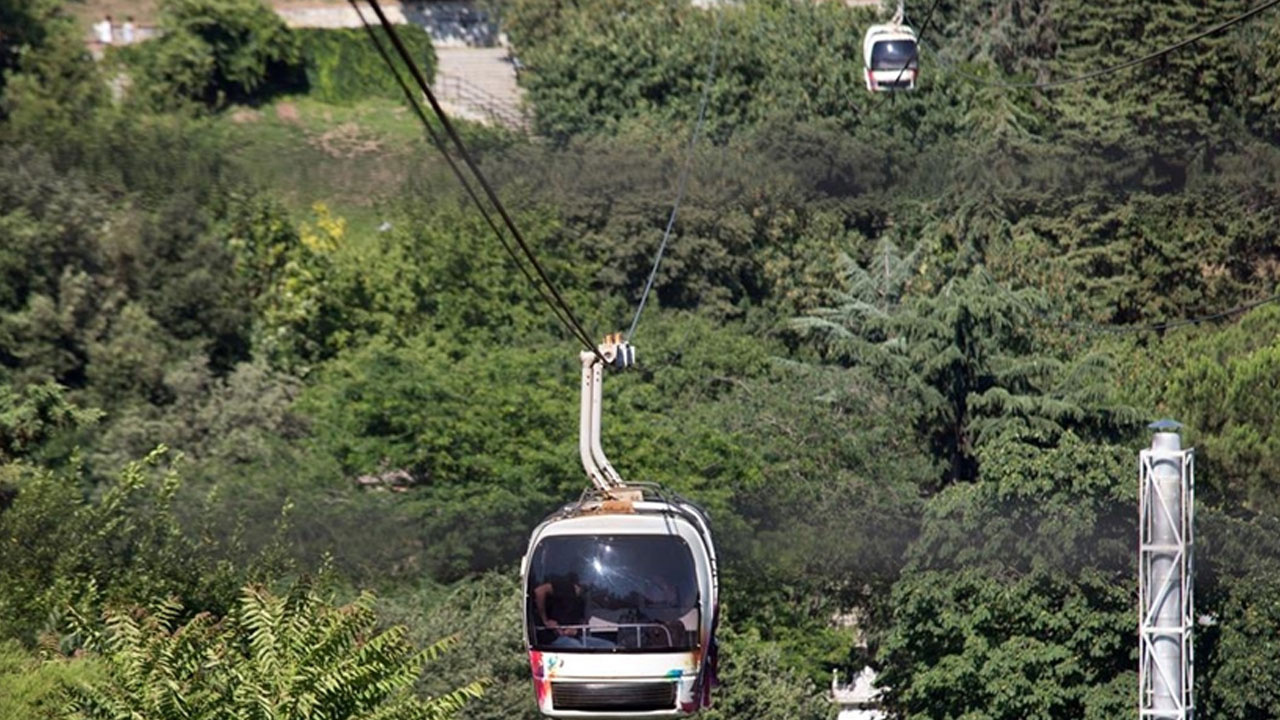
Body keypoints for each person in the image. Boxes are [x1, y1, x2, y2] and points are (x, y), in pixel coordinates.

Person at [533, 572, 612, 649]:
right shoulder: (565, 586)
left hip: (574, 637)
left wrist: (575, 631)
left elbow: (581, 623)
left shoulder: (582, 599)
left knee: (609, 645)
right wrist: (545, 620)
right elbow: (539, 591)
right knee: (580, 649)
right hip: (553, 637)